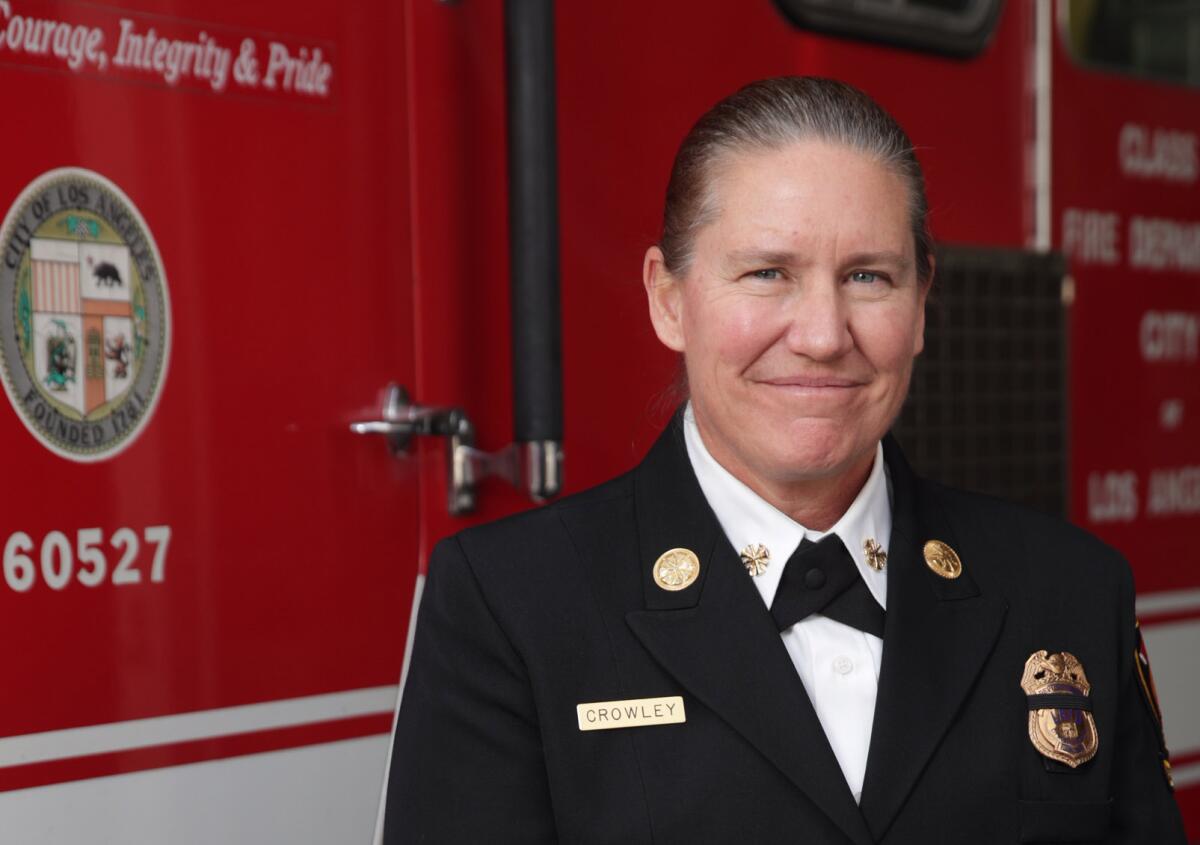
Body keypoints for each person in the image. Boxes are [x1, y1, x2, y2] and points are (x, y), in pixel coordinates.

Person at [383, 77, 1185, 844]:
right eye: (768, 273)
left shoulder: (1072, 592)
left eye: (868, 276)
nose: (824, 333)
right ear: (669, 298)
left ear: (920, 307)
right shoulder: (509, 607)